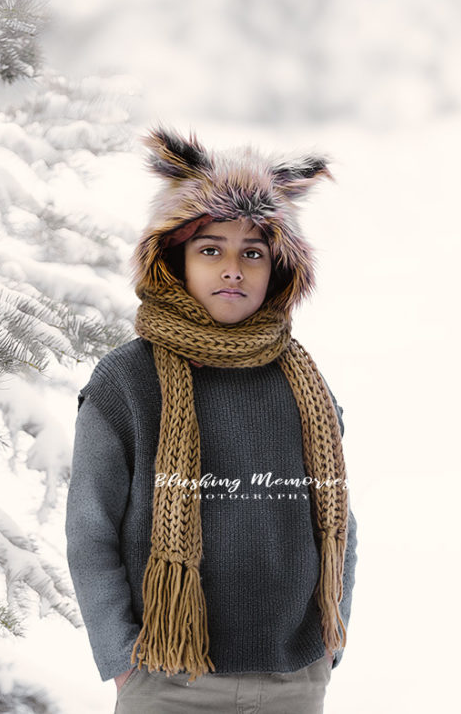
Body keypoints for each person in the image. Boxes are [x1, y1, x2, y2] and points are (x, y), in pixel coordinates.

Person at [65, 127, 358, 714]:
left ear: (279, 268)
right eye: (211, 249)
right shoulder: (127, 381)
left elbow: (338, 527)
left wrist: (328, 646)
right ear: (174, 260)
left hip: (292, 676)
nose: (233, 268)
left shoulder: (302, 383)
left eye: (252, 252)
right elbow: (90, 530)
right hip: (166, 675)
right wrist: (121, 658)